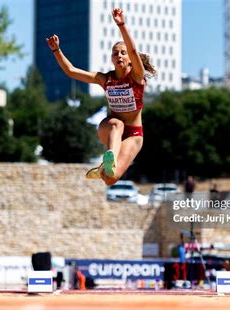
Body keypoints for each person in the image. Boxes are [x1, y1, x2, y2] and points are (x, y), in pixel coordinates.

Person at [46, 8, 156, 186]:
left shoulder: (136, 76)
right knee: (117, 123)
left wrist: (121, 25)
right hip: (110, 128)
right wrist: (56, 50)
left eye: (122, 52)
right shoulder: (105, 78)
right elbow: (71, 71)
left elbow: (134, 50)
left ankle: (103, 170)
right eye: (115, 53)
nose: (119, 55)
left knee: (111, 180)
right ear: (112, 60)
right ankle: (110, 157)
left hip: (134, 134)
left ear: (130, 60)